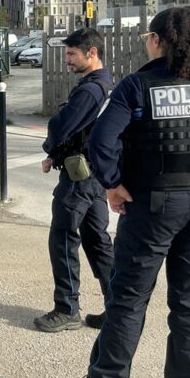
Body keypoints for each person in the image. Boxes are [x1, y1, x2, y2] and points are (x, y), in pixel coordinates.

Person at [59, 6, 190, 378]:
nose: (146, 42)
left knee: (128, 297)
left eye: (149, 36)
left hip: (154, 206)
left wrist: (113, 184)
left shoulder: (136, 87)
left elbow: (100, 141)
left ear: (160, 40)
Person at [35, 28, 115, 333]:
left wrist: (51, 148)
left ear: (91, 52)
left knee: (63, 237)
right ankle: (117, 307)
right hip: (94, 175)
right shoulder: (105, 85)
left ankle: (66, 308)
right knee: (98, 241)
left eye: (72, 54)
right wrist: (55, 156)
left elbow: (62, 126)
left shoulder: (91, 90)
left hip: (79, 177)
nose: (67, 60)